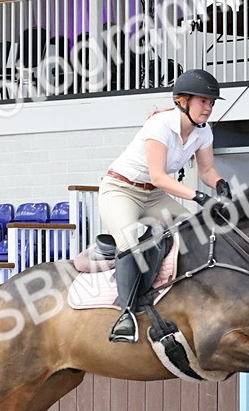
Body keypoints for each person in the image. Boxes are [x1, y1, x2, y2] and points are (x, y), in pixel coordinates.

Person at [98, 68, 232, 343]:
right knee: (132, 239)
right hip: (121, 190)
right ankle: (126, 315)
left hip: (153, 196)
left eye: (211, 103)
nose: (209, 108)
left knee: (197, 231)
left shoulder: (202, 133)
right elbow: (159, 176)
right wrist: (198, 197)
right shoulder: (160, 126)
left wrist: (220, 185)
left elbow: (207, 171)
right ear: (183, 101)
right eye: (203, 101)